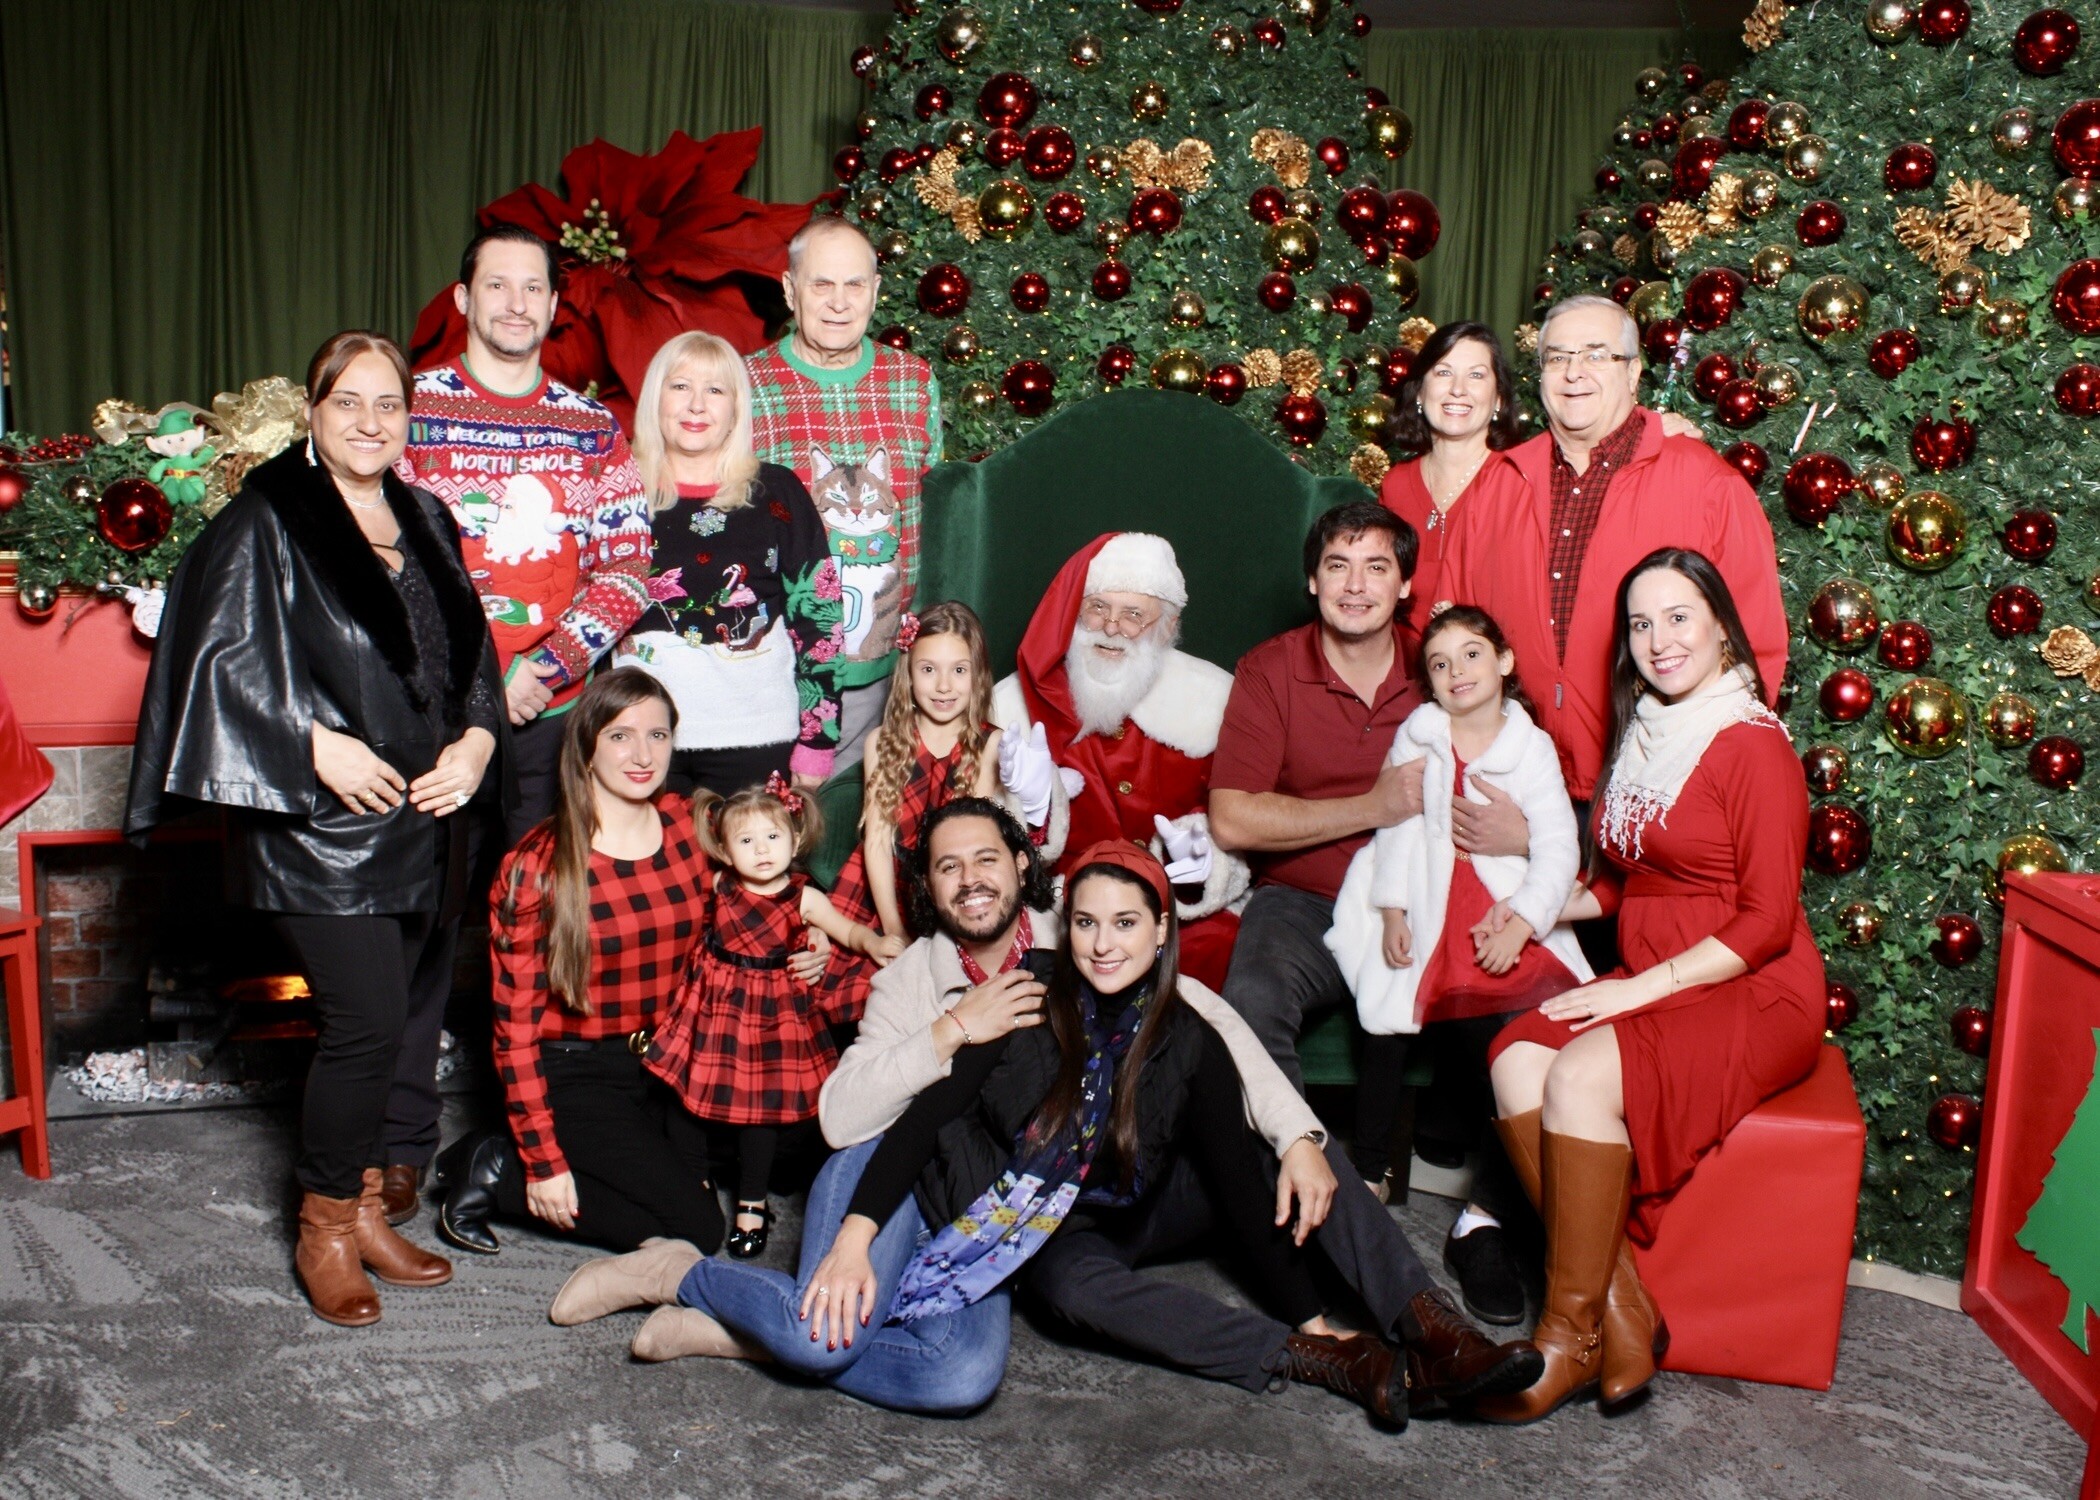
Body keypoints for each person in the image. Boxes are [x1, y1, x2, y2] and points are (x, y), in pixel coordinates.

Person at [548, 819, 1539, 1420]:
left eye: (1128, 925)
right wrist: (854, 1237)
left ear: (1160, 936)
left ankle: (1428, 1330)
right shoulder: (1013, 995)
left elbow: (1239, 1170)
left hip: (1134, 1194)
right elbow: (899, 1120)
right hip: (1006, 1220)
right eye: (1091, 923)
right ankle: (707, 1292)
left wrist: (1303, 1145)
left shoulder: (1177, 1014)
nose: (1105, 943)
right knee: (992, 1328)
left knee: (1294, 1161)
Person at [126, 331, 503, 1326]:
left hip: (426, 817)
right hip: (322, 825)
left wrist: (476, 743)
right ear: (314, 411)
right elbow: (210, 665)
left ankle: (375, 1207)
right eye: (350, 404)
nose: (371, 422)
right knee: (366, 1019)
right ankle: (327, 1224)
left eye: (389, 405)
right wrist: (308, 745)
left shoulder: (426, 515)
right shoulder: (267, 519)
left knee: (408, 1018)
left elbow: (472, 654)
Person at [1476, 550, 1826, 1422]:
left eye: (1679, 616)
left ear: (1719, 624)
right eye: (1641, 623)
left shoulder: (1750, 745)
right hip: (1664, 975)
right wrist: (1533, 906)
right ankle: (1624, 1312)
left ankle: (1565, 1337)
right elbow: (1635, 881)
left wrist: (1633, 993)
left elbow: (1764, 921)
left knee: (1580, 1074)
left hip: (1756, 986)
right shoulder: (1648, 731)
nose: (1659, 640)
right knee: (1515, 1057)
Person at [1323, 607, 1592, 1322]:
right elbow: (1395, 828)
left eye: (1472, 656)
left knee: (1510, 1050)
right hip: (1420, 902)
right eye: (1439, 664)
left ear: (1504, 662)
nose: (1457, 673)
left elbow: (1561, 850)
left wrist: (1526, 921)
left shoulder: (1530, 749)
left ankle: (1487, 1217)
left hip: (1495, 912)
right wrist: (1391, 909)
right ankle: (1369, 1174)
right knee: (1384, 1017)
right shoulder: (1419, 735)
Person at [1438, 295, 1788, 819]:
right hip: (1511, 789)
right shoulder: (1495, 486)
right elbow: (1452, 634)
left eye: (1597, 355)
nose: (1574, 373)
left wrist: (1705, 780)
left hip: (1658, 790)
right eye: (1557, 357)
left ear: (1634, 374)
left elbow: (1755, 647)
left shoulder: (1707, 484)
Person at [435, 669, 725, 1259]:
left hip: (664, 1064)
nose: (643, 755)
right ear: (587, 747)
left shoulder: (687, 824)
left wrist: (818, 935)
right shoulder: (538, 866)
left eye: (659, 736)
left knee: (754, 1156)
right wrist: (543, 1164)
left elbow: (764, 879)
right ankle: (499, 1171)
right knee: (698, 1231)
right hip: (572, 1072)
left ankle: (519, 1155)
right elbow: (514, 1034)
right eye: (620, 736)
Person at [398, 223, 652, 841]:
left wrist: (544, 669)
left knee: (537, 909)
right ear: (463, 299)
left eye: (533, 287)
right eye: (498, 285)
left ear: (553, 305)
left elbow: (627, 571)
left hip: (549, 714)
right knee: (434, 916)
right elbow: (387, 563)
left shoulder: (591, 427)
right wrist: (476, 684)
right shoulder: (409, 410)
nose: (517, 304)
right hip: (434, 711)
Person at [645, 777, 897, 1258]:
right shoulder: (719, 886)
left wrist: (876, 943)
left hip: (771, 1016)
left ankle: (751, 1201)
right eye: (746, 841)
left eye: (773, 837)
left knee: (761, 1114)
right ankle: (694, 1184)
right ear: (722, 849)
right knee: (688, 1097)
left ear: (796, 838)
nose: (762, 850)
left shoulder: (803, 899)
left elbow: (847, 929)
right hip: (714, 1008)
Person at [991, 532, 1251, 990]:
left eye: (1134, 614)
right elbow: (985, 843)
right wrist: (1032, 812)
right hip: (1061, 905)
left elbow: (1238, 824)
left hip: (1170, 908)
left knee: (1218, 945)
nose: (1111, 627)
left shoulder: (1213, 701)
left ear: (1167, 628)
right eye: (1097, 608)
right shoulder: (1012, 704)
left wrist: (1204, 860)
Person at [745, 217, 942, 768]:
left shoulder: (914, 382)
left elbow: (932, 515)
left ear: (876, 292)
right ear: (789, 290)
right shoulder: (745, 385)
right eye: (820, 284)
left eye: (854, 284)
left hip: (887, 680)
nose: (838, 302)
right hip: (778, 670)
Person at [612, 331, 846, 796]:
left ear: (736, 409)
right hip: (638, 739)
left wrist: (819, 740)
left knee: (757, 871)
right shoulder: (618, 490)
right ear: (655, 398)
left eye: (715, 390)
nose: (696, 405)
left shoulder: (776, 492)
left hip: (755, 736)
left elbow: (820, 614)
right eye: (680, 386)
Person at [826, 601, 1001, 979]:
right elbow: (876, 842)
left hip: (953, 885)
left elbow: (973, 846)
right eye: (928, 670)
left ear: (978, 676)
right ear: (908, 674)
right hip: (886, 886)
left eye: (958, 670)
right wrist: (893, 928)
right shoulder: (882, 742)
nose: (943, 686)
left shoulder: (990, 745)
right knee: (847, 981)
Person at [1379, 322, 1524, 662]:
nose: (1458, 389)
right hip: (1399, 675)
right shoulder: (1395, 484)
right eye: (1443, 372)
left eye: (1476, 376)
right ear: (1419, 392)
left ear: (1498, 399)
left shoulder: (1519, 481)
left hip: (1487, 682)